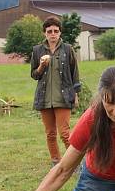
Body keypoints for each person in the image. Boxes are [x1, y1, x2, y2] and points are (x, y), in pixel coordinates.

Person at [30, 17, 81, 165]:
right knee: (50, 134)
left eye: (56, 31)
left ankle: (75, 163)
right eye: (49, 31)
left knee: (65, 134)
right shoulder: (37, 50)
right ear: (44, 33)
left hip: (63, 97)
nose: (53, 34)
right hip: (44, 98)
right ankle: (56, 162)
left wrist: (76, 93)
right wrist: (41, 67)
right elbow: (34, 75)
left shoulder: (67, 49)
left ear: (60, 33)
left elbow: (74, 73)